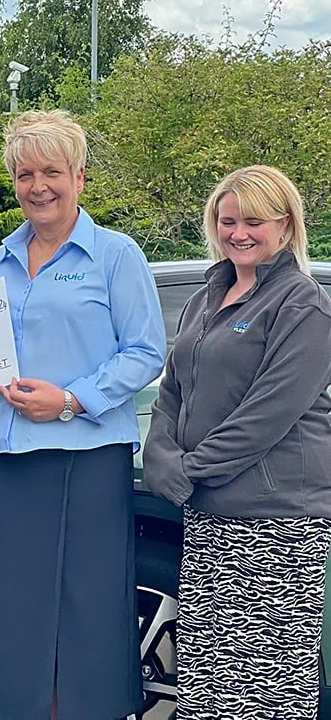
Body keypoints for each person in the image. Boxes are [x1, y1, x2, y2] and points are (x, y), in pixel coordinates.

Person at [0, 110, 165, 720]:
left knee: (90, 607)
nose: (37, 185)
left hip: (88, 457)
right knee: (15, 608)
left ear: (79, 175)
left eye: (51, 171)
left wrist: (71, 400)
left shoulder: (116, 256)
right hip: (8, 459)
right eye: (24, 173)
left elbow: (147, 353)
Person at [144, 165, 331, 719]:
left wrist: (191, 468)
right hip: (210, 517)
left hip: (276, 523)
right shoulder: (209, 296)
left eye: (254, 221)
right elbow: (171, 389)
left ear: (285, 224)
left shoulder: (304, 305)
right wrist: (161, 458)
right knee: (208, 680)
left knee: (266, 688)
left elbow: (268, 413)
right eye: (228, 221)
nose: (239, 232)